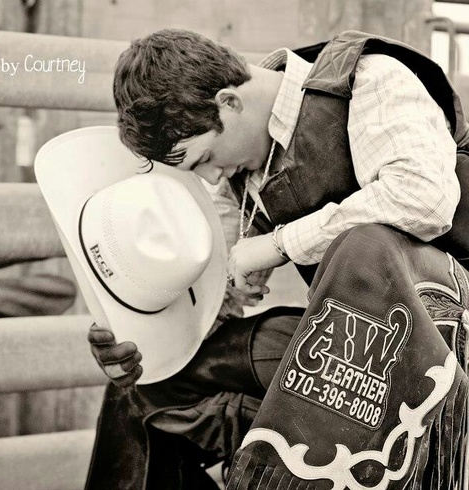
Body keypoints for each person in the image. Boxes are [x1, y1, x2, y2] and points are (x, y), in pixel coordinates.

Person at [84, 28, 469, 489]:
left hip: (446, 341)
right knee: (142, 395)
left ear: (228, 101)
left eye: (202, 158)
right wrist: (141, 337)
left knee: (365, 243)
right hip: (344, 352)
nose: (208, 178)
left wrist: (279, 244)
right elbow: (216, 303)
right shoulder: (241, 169)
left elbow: (424, 200)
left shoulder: (369, 81)